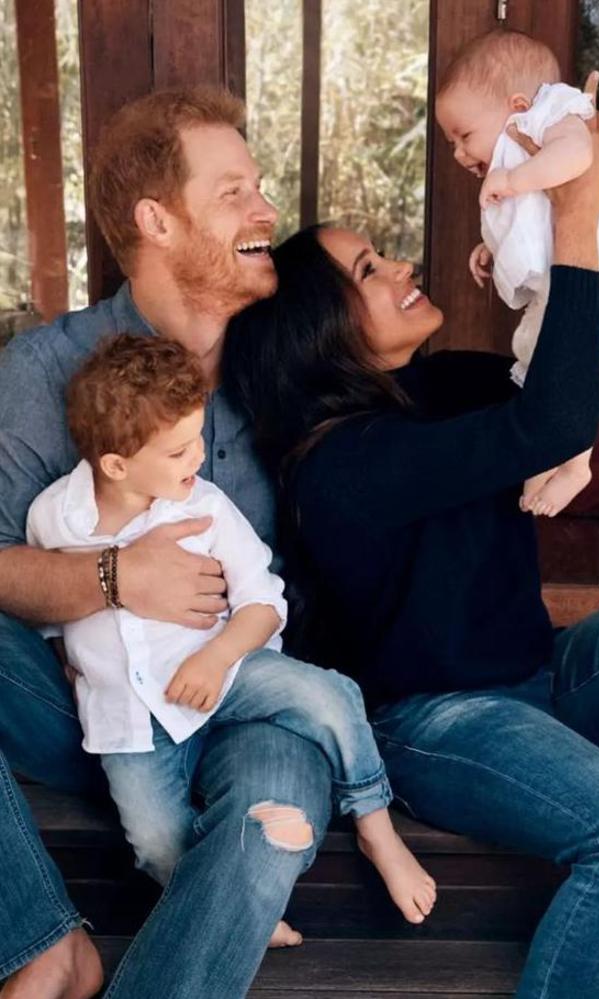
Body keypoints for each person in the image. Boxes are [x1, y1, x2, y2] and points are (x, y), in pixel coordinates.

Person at [223, 104, 599, 998]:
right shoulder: (340, 464)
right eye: (370, 270)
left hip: (538, 689)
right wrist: (569, 215)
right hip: (440, 727)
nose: (403, 266)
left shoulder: (437, 385)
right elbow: (552, 422)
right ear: (317, 330)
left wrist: (597, 234)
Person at [0, 86, 335, 999]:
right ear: (157, 218)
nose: (267, 209)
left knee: (273, 823)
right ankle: (42, 942)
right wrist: (113, 577)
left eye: (259, 187)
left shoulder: (291, 357)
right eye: (234, 192)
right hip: (95, 713)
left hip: (249, 697)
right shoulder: (42, 371)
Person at [25, 332, 436, 929]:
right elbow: (49, 603)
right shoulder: (54, 517)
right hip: (130, 719)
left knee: (330, 696)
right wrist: (66, 651)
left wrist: (217, 657)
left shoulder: (206, 507)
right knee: (153, 839)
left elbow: (264, 603)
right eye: (177, 451)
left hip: (228, 668)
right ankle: (228, 903)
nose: (197, 458)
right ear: (116, 465)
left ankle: (376, 827)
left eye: (197, 438)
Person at [435, 30, 599, 518]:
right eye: (451, 142)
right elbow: (533, 225)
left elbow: (578, 158)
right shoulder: (524, 152)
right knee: (544, 373)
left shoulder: (557, 115)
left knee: (574, 371)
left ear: (516, 105)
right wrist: (490, 249)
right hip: (561, 290)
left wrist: (512, 179)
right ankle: (547, 456)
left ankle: (576, 465)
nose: (458, 154)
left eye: (464, 136)